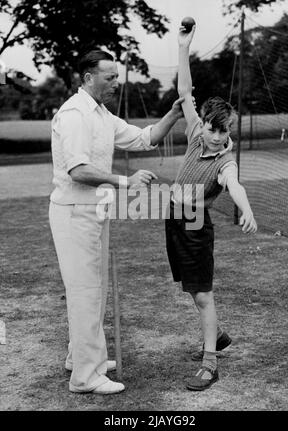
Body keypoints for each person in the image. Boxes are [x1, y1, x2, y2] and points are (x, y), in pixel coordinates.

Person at [49, 49, 184, 395]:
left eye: (116, 76)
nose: (116, 83)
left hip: (93, 212)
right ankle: (85, 378)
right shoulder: (76, 114)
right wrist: (126, 182)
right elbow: (78, 170)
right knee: (85, 292)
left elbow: (144, 138)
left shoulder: (102, 114)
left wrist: (173, 113)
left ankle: (80, 357)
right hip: (74, 212)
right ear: (88, 77)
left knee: (94, 291)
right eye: (109, 77)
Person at [165, 24, 257, 391]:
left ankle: (210, 363)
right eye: (211, 128)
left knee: (203, 294)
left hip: (196, 224)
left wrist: (246, 208)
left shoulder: (225, 161)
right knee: (190, 287)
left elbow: (235, 184)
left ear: (229, 128)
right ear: (203, 123)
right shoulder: (194, 133)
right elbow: (184, 92)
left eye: (223, 130)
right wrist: (183, 47)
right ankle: (215, 336)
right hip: (173, 217)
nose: (216, 135)